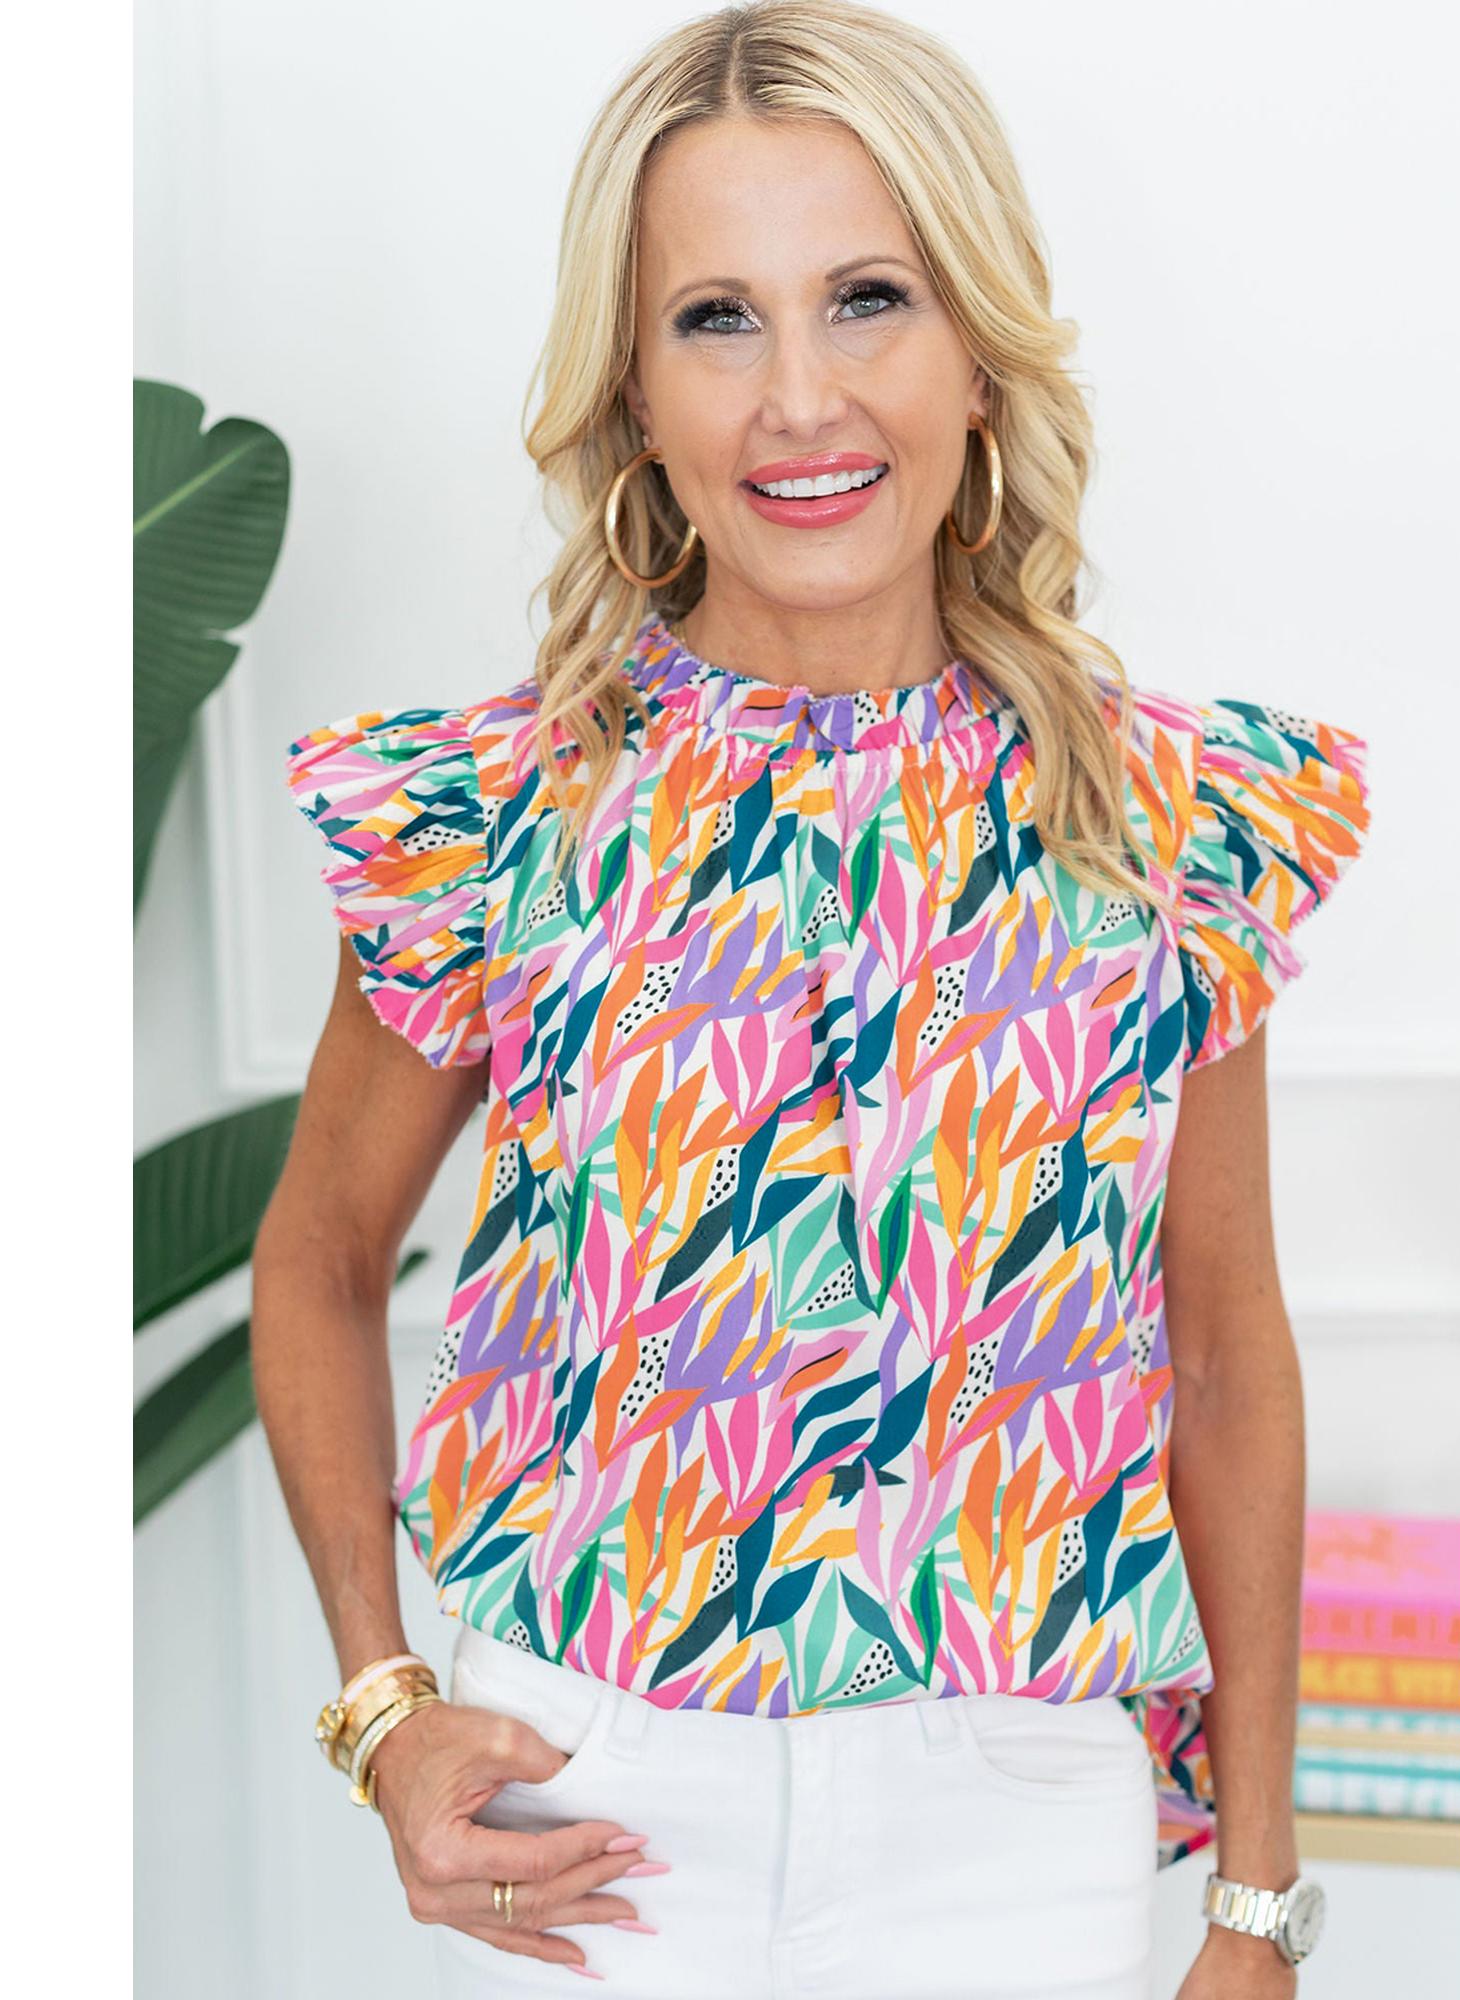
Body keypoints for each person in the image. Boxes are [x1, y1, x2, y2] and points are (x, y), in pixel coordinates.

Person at [254, 4, 1373, 1995]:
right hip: (586, 1801)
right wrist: (382, 1708)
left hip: (1019, 1817)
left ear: (975, 346)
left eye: (867, 298)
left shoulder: (1158, 822)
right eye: (716, 319)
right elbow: (319, 1256)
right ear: (633, 389)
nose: (799, 398)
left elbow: (1222, 1357)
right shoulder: (495, 814)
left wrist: (1254, 1896)